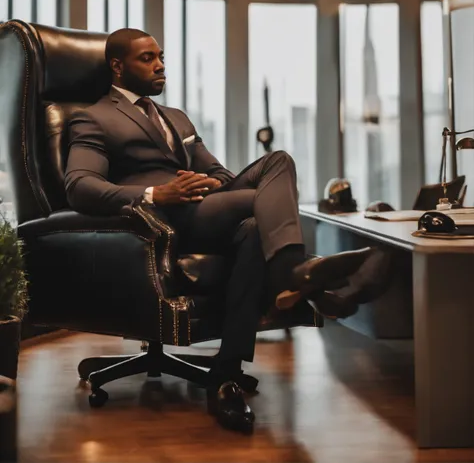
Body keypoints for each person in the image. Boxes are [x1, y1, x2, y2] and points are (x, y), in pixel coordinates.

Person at [65, 28, 390, 434]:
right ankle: (303, 278)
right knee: (270, 182)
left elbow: (219, 172)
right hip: (162, 223)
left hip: (207, 210)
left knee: (269, 187)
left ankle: (226, 375)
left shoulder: (176, 118)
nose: (161, 64)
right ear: (117, 66)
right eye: (147, 58)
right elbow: (80, 186)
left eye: (161, 56)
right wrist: (157, 193)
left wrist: (211, 184)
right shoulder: (93, 116)